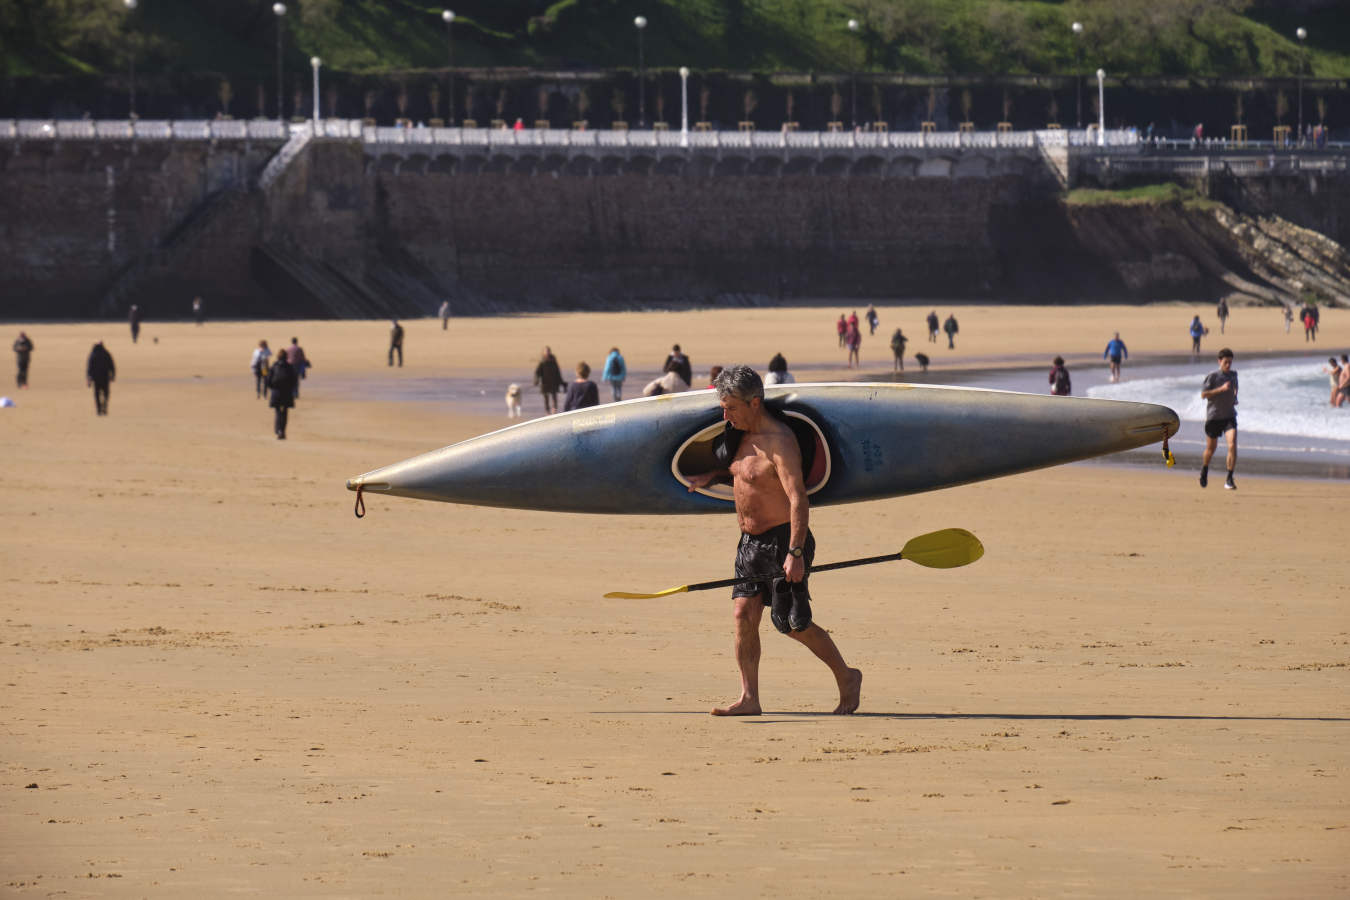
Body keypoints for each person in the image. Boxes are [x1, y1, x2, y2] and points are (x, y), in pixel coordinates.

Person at [683, 366, 862, 716]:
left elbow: (798, 498)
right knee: (742, 614)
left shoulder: (779, 442)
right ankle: (749, 697)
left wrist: (795, 552)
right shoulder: (737, 435)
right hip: (748, 543)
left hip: (784, 542)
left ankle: (847, 675)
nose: (725, 415)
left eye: (731, 407)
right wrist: (714, 473)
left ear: (754, 402)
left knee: (793, 624)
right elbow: (746, 472)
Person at [1199, 348, 1238, 490]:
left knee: (1232, 444)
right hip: (1214, 416)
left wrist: (1235, 398)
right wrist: (1221, 389)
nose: (1228, 365)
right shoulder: (1213, 376)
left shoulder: (1234, 375)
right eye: (1226, 362)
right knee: (1211, 449)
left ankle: (1229, 478)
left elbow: (1235, 388)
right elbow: (1204, 395)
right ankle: (1204, 469)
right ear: (1219, 361)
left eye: (1230, 362)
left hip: (1229, 416)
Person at [268, 348, 298, 439]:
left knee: (277, 412)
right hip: (287, 393)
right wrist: (292, 390)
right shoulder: (290, 366)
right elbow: (294, 380)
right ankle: (282, 431)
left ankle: (278, 430)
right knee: (285, 412)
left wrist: (272, 388)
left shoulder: (274, 366)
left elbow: (268, 380)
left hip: (276, 392)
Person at [86, 341, 115, 415]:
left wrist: (89, 379)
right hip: (105, 378)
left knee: (97, 395)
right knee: (106, 393)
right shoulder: (106, 353)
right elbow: (112, 366)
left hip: (96, 379)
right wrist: (113, 375)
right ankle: (104, 406)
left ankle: (99, 409)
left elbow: (89, 368)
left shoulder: (93, 355)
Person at [534, 346, 564, 413]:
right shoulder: (542, 362)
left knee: (554, 396)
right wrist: (536, 380)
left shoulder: (553, 360)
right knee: (546, 398)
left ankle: (554, 409)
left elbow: (557, 371)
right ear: (543, 352)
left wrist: (561, 381)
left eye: (548, 351)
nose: (547, 352)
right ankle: (547, 411)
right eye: (546, 351)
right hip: (545, 382)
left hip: (554, 381)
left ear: (550, 352)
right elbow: (537, 372)